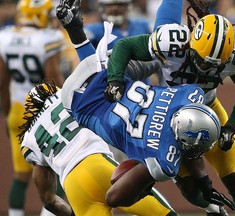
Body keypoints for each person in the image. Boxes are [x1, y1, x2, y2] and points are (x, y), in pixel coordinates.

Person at [56, 0, 235, 215]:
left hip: (109, 77)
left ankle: (75, 30)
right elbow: (115, 197)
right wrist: (143, 186)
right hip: (78, 104)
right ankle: (76, 31)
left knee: (147, 62)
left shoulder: (187, 95)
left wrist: (204, 182)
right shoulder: (164, 160)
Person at [102, 1, 235, 216]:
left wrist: (232, 125)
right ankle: (213, 208)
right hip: (169, 115)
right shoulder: (171, 41)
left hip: (208, 109)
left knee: (233, 175)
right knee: (188, 185)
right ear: (191, 43)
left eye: (214, 64)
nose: (207, 67)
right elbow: (125, 46)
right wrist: (115, 80)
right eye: (203, 61)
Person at [17, 81, 179, 216]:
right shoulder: (69, 95)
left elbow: (48, 200)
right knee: (163, 213)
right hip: (96, 164)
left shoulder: (30, 138)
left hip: (73, 187)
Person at [0, 0, 65, 215]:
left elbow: (2, 81)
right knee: (56, 171)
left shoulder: (6, 36)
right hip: (44, 111)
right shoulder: (48, 39)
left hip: (18, 109)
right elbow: (53, 81)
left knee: (21, 175)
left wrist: (8, 112)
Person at [84, 0, 151, 50]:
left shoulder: (144, 25)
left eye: (120, 4)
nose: (115, 8)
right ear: (102, 7)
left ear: (128, 6)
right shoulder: (94, 30)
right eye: (110, 5)